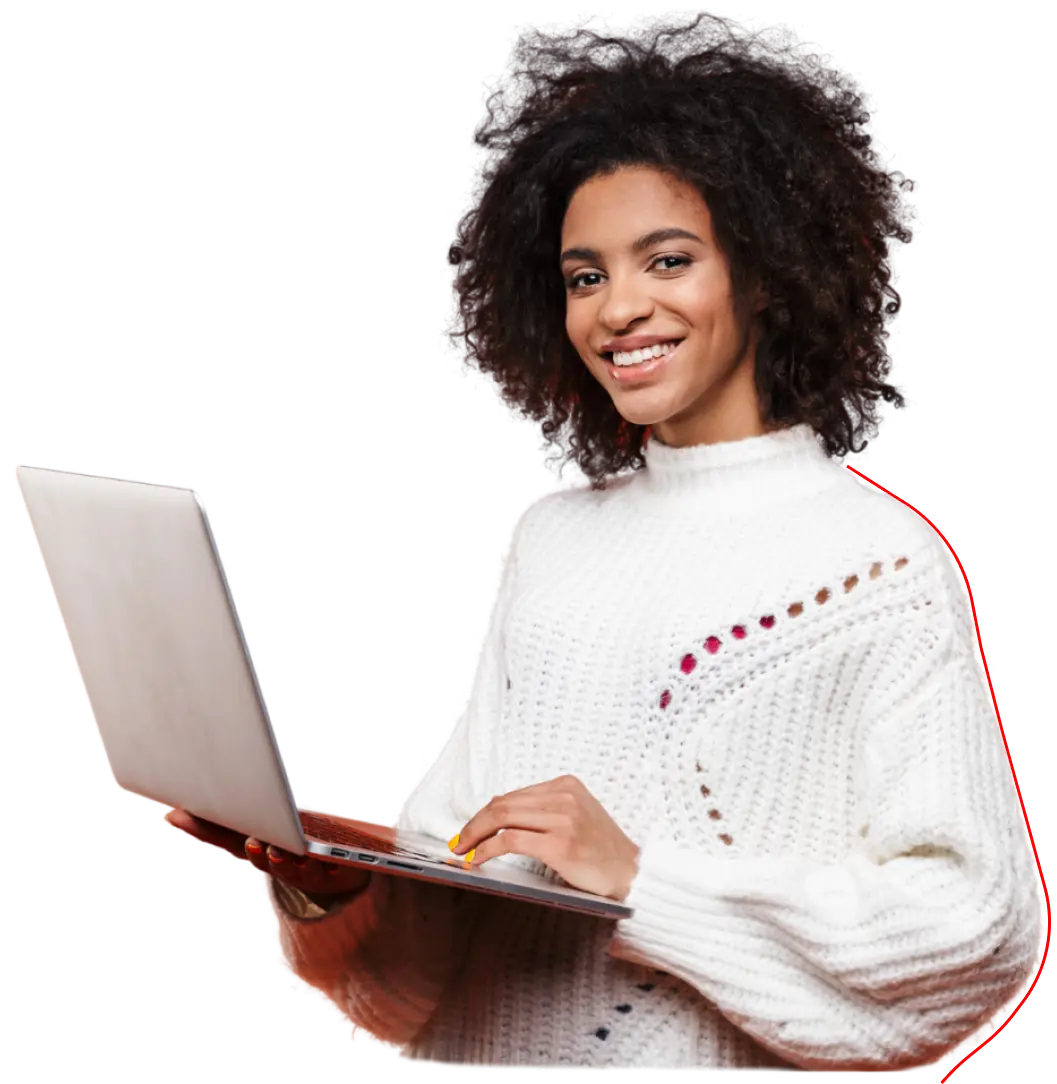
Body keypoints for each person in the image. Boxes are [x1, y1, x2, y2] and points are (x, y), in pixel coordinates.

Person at [167, 12, 1044, 1073]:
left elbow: (973, 935)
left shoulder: (873, 566)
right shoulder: (551, 531)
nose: (619, 310)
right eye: (585, 277)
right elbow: (455, 877)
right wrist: (335, 872)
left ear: (764, 271)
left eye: (665, 260)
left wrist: (638, 879)